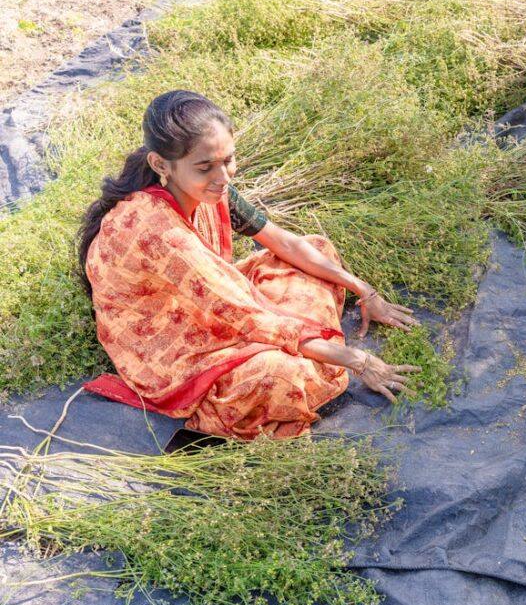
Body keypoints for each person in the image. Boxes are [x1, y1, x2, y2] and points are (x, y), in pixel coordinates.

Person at [78, 90, 421, 439]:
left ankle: (306, 344)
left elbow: (283, 242)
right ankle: (288, 358)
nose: (223, 177)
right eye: (205, 167)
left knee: (316, 249)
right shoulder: (160, 233)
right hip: (166, 344)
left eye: (228, 160)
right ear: (160, 165)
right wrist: (358, 361)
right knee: (284, 376)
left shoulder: (210, 188)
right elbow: (246, 316)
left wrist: (364, 290)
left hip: (210, 296)